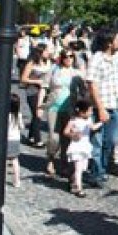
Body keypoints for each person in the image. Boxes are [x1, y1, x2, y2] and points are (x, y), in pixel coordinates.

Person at [86, 29, 118, 187]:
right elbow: (92, 84)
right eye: (117, 39)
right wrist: (100, 108)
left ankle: (103, 168)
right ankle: (96, 173)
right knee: (97, 142)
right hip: (99, 106)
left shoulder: (116, 58)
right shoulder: (96, 59)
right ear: (109, 43)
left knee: (112, 140)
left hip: (114, 104)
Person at [43, 49, 81, 178]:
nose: (69, 59)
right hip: (54, 107)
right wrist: (40, 105)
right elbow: (44, 86)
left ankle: (64, 164)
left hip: (69, 109)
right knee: (54, 137)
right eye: (66, 56)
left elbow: (83, 90)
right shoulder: (54, 70)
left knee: (67, 139)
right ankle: (51, 158)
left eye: (71, 56)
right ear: (62, 58)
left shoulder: (76, 73)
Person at [64, 98, 104, 198]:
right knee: (78, 168)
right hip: (76, 146)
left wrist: (102, 122)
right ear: (81, 112)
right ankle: (79, 189)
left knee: (82, 168)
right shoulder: (73, 120)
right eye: (89, 111)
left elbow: (93, 127)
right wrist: (72, 135)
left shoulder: (88, 120)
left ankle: (73, 181)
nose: (91, 113)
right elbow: (65, 132)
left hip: (85, 145)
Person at [20, 46, 51, 148]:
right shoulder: (32, 63)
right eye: (46, 50)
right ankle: (38, 140)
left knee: (37, 114)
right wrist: (37, 81)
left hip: (44, 91)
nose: (48, 52)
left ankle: (31, 137)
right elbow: (23, 79)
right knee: (37, 113)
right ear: (40, 52)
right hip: (33, 91)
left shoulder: (48, 62)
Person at [8, 94, 24, 188]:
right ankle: (17, 180)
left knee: (3, 160)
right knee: (15, 160)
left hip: (7, 139)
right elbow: (22, 127)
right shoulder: (19, 115)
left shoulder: (5, 115)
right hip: (16, 140)